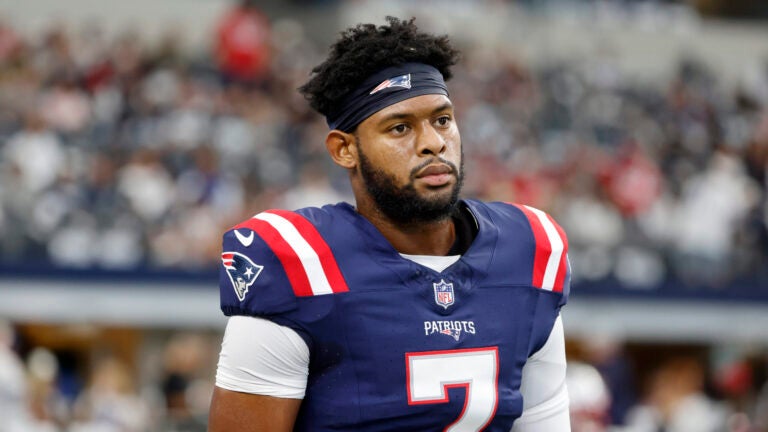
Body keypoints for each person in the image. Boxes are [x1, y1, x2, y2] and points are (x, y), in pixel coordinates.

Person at [208, 17, 571, 431]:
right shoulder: (297, 262)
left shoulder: (529, 250)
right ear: (345, 150)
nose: (433, 142)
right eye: (400, 127)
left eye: (442, 120)